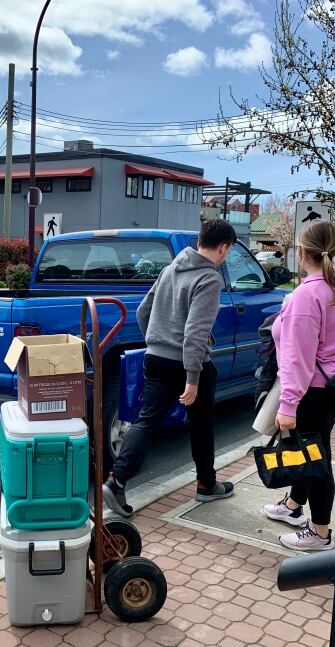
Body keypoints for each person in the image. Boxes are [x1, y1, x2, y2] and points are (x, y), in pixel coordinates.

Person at [103, 219, 238, 517]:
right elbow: (196, 332)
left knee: (146, 420)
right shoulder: (209, 279)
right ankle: (206, 485)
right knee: (201, 423)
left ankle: (116, 480)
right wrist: (192, 378)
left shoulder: (169, 270)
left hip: (156, 357)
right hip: (190, 365)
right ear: (224, 247)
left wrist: (156, 339)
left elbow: (143, 311)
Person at [262, 220, 335, 551]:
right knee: (311, 451)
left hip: (312, 391)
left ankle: (320, 534)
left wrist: (288, 405)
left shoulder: (306, 296)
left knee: (316, 461)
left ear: (301, 253)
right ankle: (294, 507)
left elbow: (297, 359)